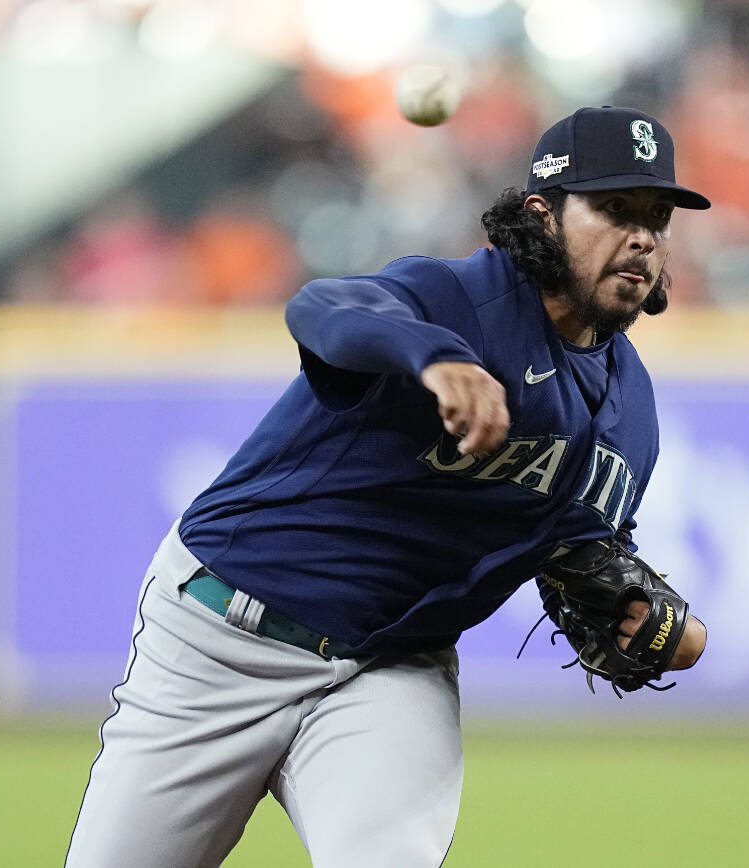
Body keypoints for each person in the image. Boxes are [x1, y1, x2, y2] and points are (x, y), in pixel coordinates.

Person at [65, 105, 711, 868]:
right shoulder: (458, 299)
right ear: (542, 216)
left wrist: (662, 627)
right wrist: (434, 358)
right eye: (614, 209)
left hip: (388, 670)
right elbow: (324, 307)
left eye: (657, 218)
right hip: (221, 641)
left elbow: (589, 551)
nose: (642, 236)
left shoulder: (631, 415)